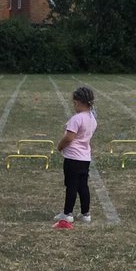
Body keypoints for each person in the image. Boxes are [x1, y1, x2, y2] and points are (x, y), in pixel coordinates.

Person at [54, 86, 97, 224]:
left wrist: (60, 146)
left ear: (78, 102)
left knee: (71, 185)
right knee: (83, 186)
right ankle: (85, 214)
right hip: (85, 158)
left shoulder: (77, 118)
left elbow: (69, 138)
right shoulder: (92, 118)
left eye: (74, 103)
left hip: (73, 158)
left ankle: (67, 213)